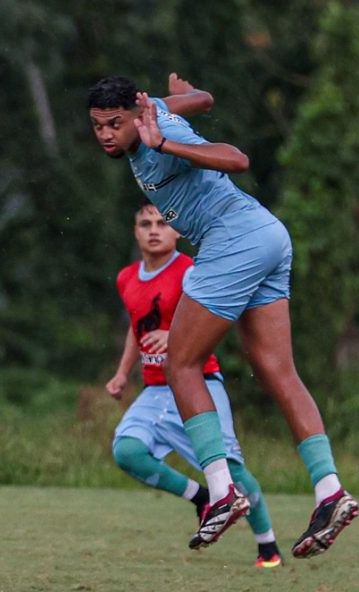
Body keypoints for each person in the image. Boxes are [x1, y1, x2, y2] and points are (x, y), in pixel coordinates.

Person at [87, 73, 358, 559]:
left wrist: (167, 142)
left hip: (233, 241)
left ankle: (221, 488)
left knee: (181, 364)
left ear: (135, 113)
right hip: (267, 235)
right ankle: (329, 491)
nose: (106, 134)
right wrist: (187, 96)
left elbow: (236, 158)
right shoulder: (148, 113)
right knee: (277, 370)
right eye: (98, 126)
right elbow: (203, 99)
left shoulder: (158, 134)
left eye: (114, 123)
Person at [105, 201, 283, 568]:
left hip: (197, 383)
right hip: (156, 390)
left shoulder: (190, 271)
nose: (154, 229)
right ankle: (201, 497)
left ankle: (268, 546)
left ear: (177, 232)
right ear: (135, 231)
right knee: (126, 450)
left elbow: (214, 317)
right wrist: (123, 372)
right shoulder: (126, 278)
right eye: (145, 223)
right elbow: (135, 328)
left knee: (233, 471)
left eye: (162, 222)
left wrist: (175, 335)